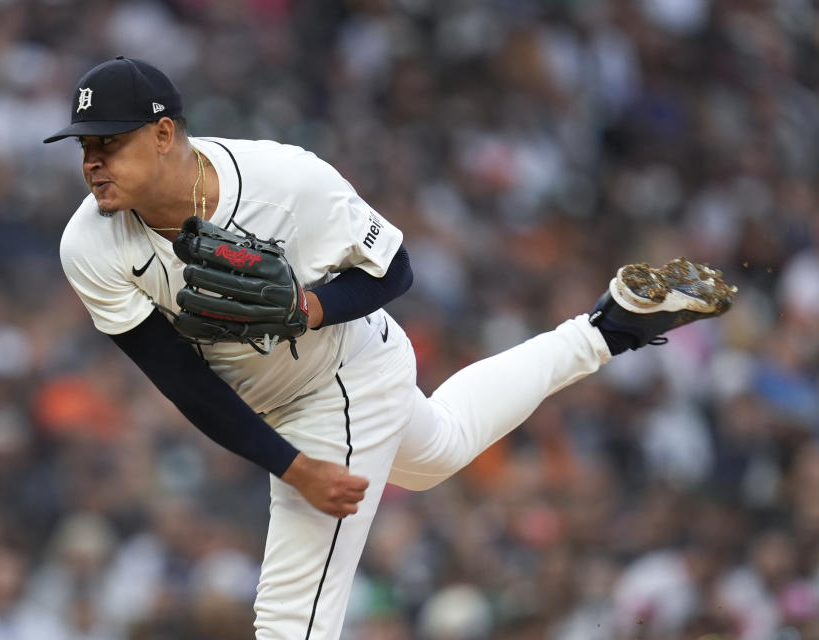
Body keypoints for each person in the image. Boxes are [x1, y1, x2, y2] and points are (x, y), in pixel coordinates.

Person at [44, 57, 735, 639]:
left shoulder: (286, 182)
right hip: (281, 407)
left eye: (109, 143)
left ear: (165, 134)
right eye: (84, 147)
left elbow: (395, 268)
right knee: (441, 450)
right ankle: (610, 327)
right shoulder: (90, 245)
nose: (93, 162)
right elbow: (180, 379)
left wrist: (311, 308)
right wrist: (288, 464)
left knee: (290, 624)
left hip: (341, 379)